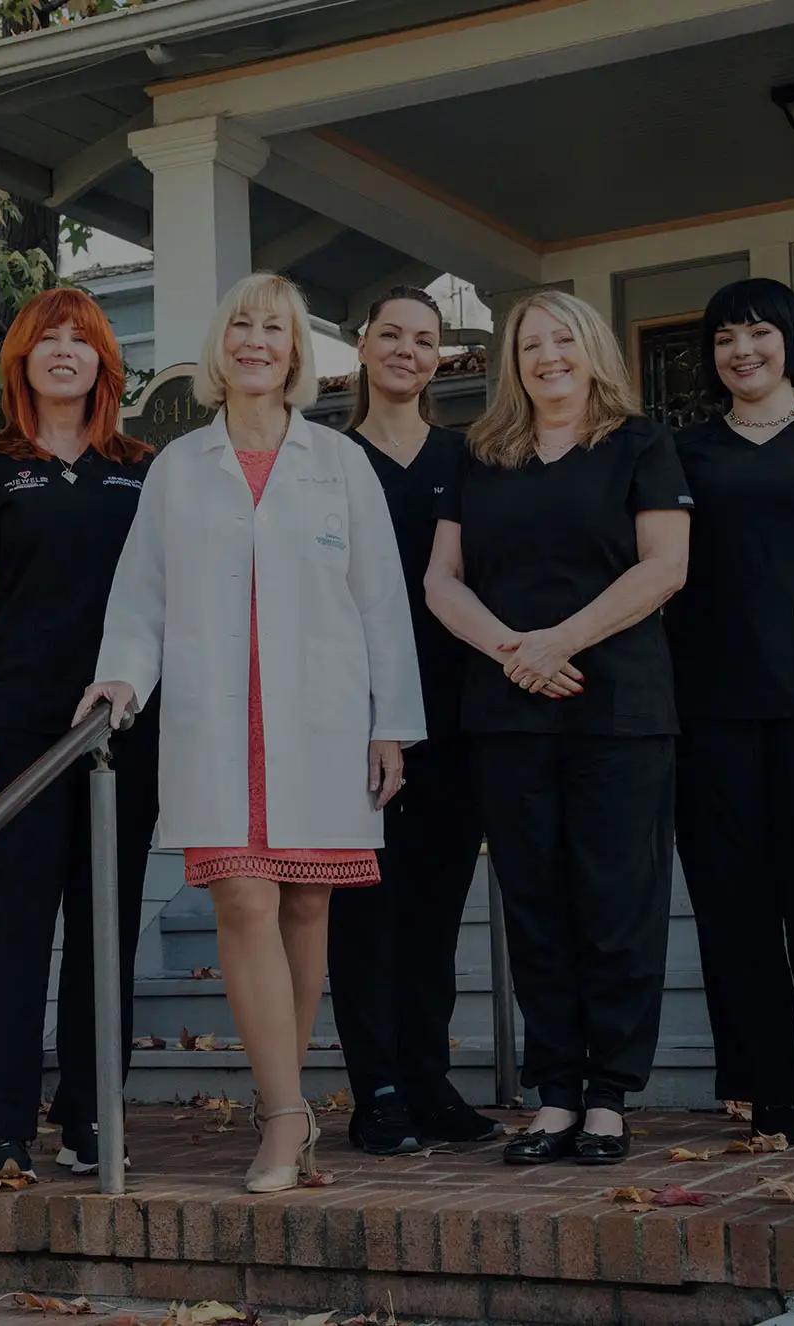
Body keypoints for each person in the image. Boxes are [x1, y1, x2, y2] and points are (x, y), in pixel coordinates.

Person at [78, 272, 425, 1194]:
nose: (256, 340)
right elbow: (140, 598)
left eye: (274, 327)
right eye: (240, 323)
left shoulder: (340, 463)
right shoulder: (178, 467)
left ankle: (290, 1104)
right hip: (215, 719)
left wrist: (392, 723)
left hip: (322, 719)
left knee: (307, 906)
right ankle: (283, 1117)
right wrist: (121, 676)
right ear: (218, 346)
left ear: (297, 353)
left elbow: (382, 603)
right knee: (242, 898)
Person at [425, 290, 690, 1167]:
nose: (547, 357)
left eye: (562, 340)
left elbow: (666, 567)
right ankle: (555, 1095)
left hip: (619, 712)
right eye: (530, 344)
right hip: (508, 714)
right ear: (515, 360)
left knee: (616, 902)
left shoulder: (641, 445)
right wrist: (514, 653)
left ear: (592, 351)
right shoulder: (484, 454)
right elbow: (442, 581)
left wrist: (560, 642)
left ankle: (609, 1094)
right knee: (535, 906)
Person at [0, 288, 161, 1183]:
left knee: (104, 927)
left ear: (104, 361)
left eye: (82, 339)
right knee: (16, 928)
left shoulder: (143, 468)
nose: (65, 351)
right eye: (48, 340)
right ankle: (2, 1125)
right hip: (21, 725)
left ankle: (89, 1115)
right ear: (22, 361)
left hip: (122, 726)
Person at [664, 277, 794, 1146]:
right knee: (732, 895)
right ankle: (766, 1095)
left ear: (790, 339)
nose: (741, 350)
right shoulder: (681, 452)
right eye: (724, 338)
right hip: (709, 706)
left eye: (757, 331)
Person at [325, 286, 498, 1155]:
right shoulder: (325, 457)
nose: (407, 350)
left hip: (452, 714)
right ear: (361, 347)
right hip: (353, 720)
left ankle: (429, 1081)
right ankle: (378, 1090)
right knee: (367, 912)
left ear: (440, 357)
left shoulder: (466, 459)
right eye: (390, 334)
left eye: (424, 339)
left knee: (435, 911)